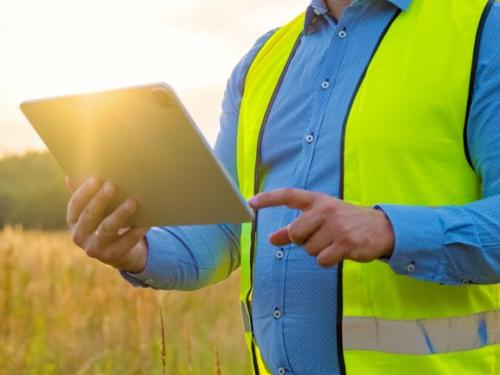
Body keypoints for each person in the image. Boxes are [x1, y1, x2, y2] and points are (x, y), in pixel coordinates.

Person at [65, 0, 500, 374]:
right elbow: (222, 231)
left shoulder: (485, 28)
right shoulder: (262, 60)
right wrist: (138, 252)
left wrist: (388, 230)